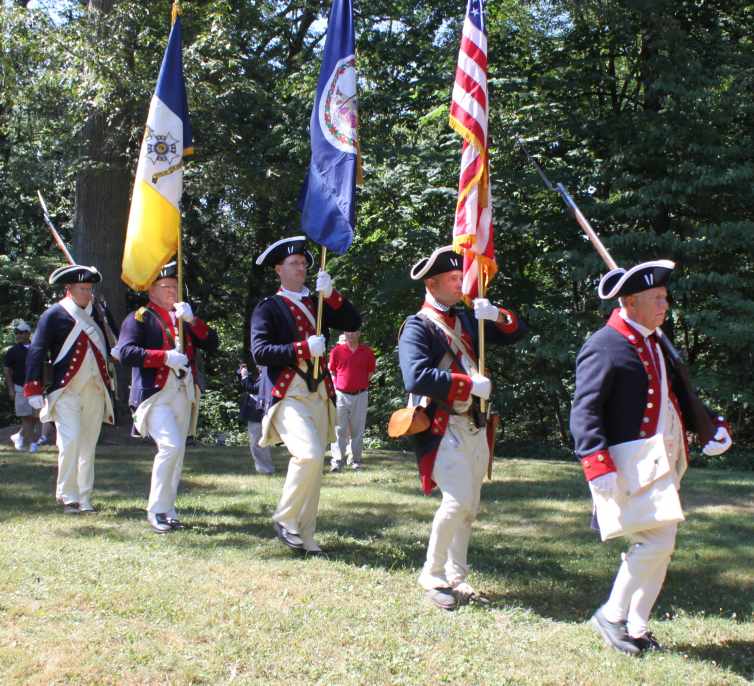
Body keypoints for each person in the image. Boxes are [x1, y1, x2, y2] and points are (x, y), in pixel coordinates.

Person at [570, 259, 733, 655]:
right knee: (656, 543)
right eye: (656, 298)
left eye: (664, 297)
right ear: (630, 302)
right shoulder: (604, 345)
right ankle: (612, 615)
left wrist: (711, 425)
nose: (665, 305)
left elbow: (678, 395)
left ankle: (637, 625)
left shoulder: (655, 340)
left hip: (661, 459)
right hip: (628, 461)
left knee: (663, 542)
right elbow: (585, 409)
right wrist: (596, 462)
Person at [398, 246, 527, 610]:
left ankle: (457, 575)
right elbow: (416, 376)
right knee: (455, 502)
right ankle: (432, 573)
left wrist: (496, 314)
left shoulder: (469, 319)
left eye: (461, 278)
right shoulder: (418, 325)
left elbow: (516, 331)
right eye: (454, 279)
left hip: (474, 422)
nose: (461, 285)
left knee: (469, 506)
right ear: (432, 282)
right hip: (440, 424)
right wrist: (467, 385)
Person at [251, 236, 361, 554]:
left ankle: (306, 536)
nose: (300, 268)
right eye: (293, 264)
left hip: (318, 393)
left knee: (315, 469)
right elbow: (260, 352)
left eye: (303, 264)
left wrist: (332, 295)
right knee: (308, 454)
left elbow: (353, 322)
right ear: (278, 269)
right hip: (287, 393)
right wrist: (300, 348)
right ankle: (285, 518)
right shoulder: (268, 307)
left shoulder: (318, 303)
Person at [117, 261, 218, 533]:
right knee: (170, 446)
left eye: (175, 286)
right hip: (154, 395)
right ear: (151, 289)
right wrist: (164, 358)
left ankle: (169, 508)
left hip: (182, 392)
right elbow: (126, 352)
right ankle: (157, 509)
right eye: (166, 286)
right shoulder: (140, 317)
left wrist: (193, 321)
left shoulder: (184, 318)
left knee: (178, 452)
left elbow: (212, 343)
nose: (172, 290)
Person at [23, 265, 115, 513]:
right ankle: (68, 495)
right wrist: (33, 387)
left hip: (95, 388)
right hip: (66, 389)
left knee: (88, 445)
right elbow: (37, 350)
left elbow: (113, 341)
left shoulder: (99, 311)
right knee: (70, 440)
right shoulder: (54, 314)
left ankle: (84, 498)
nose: (87, 293)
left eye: (89, 288)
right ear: (69, 289)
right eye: (82, 288)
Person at [328, 329, 376, 472]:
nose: (351, 335)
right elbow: (332, 371)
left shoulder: (366, 352)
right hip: (341, 395)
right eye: (348, 332)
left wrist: (358, 385)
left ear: (359, 333)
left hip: (360, 395)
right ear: (345, 333)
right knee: (339, 429)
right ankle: (337, 460)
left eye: (354, 332)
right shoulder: (336, 351)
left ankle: (356, 460)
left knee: (357, 430)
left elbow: (370, 372)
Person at [4, 320, 42, 452]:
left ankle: (19, 436)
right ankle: (32, 444)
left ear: (28, 334)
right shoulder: (13, 351)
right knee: (26, 416)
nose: (19, 335)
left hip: (37, 386)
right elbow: (7, 370)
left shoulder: (36, 348)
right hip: (20, 387)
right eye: (17, 333)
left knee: (36, 416)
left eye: (21, 333)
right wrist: (10, 388)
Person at [238, 362, 275, 474]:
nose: (257, 366)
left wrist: (244, 377)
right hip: (257, 412)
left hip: (259, 413)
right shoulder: (264, 373)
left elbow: (254, 389)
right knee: (257, 442)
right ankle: (264, 468)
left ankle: (265, 469)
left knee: (257, 442)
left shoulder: (268, 374)